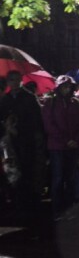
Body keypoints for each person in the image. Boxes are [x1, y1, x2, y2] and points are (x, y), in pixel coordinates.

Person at [0, 71, 47, 215]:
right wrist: (7, 126)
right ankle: (16, 202)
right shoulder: (5, 99)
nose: (14, 83)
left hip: (27, 141)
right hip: (11, 142)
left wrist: (20, 129)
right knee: (13, 172)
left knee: (28, 171)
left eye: (16, 79)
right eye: (11, 80)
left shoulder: (29, 97)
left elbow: (36, 120)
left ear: (21, 80)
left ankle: (30, 203)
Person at [42, 75, 79, 220]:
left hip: (73, 147)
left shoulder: (75, 104)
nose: (66, 89)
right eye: (63, 87)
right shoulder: (51, 104)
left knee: (71, 179)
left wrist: (75, 141)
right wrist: (66, 140)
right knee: (58, 179)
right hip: (57, 147)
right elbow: (49, 126)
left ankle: (69, 209)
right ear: (58, 88)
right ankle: (57, 210)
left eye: (68, 87)